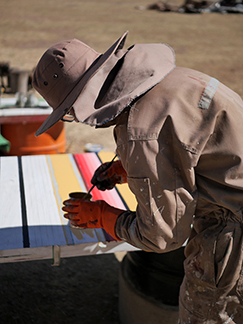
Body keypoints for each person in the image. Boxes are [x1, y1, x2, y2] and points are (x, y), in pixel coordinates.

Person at [32, 31, 243, 323]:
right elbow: (194, 150)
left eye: (69, 112)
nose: (76, 118)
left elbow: (163, 235)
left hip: (233, 232)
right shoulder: (170, 81)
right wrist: (128, 170)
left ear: (80, 101)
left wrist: (104, 217)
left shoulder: (142, 133)